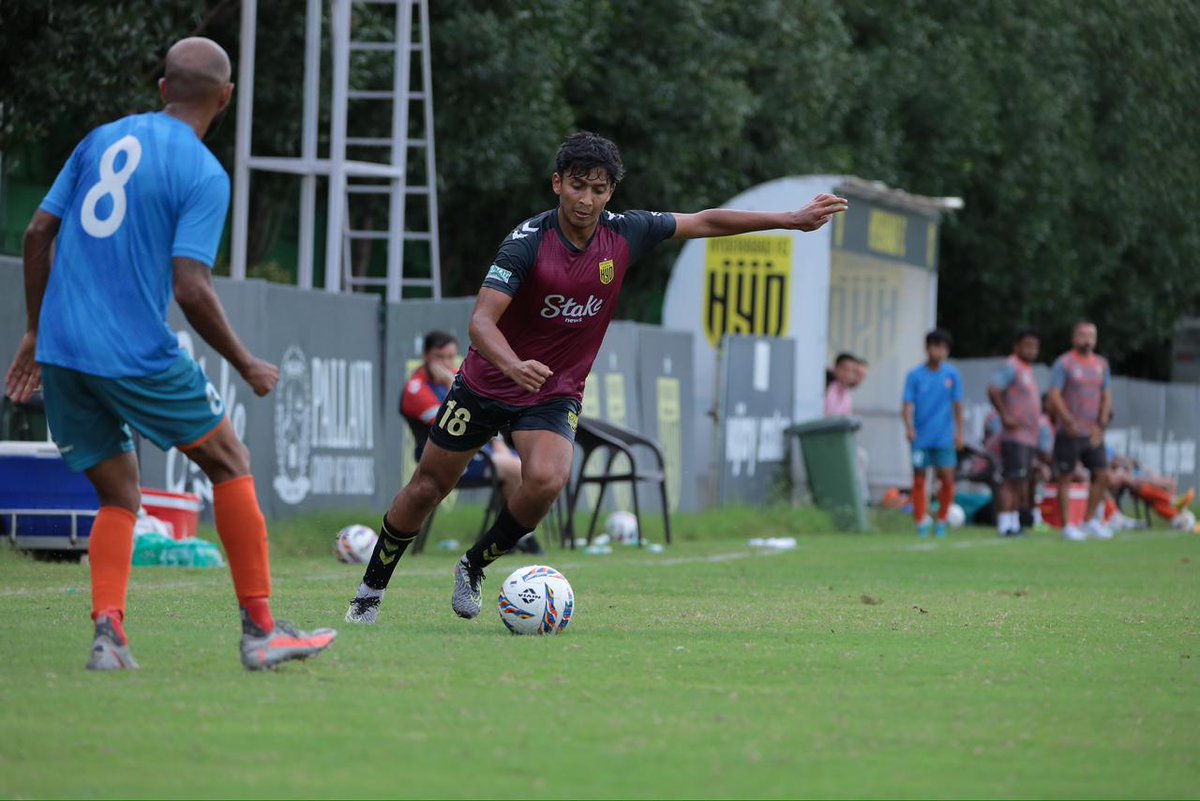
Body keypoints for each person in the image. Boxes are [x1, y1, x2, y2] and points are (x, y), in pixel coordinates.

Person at [345, 131, 849, 623]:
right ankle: (370, 591)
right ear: (557, 183)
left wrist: (789, 219)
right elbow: (480, 321)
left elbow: (705, 221)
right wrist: (512, 364)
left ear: (611, 192)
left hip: (552, 391)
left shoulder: (625, 232)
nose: (586, 199)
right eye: (577, 185)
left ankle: (473, 565)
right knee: (428, 487)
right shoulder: (527, 242)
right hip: (487, 382)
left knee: (545, 480)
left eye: (598, 188)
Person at [3, 38, 335, 671]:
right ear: (225, 97)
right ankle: (263, 631)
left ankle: (109, 635)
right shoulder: (202, 172)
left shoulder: (99, 139)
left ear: (162, 89)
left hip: (63, 349)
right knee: (230, 461)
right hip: (132, 349)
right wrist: (245, 363)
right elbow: (191, 285)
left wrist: (32, 332)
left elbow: (37, 232)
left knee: (120, 497)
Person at [400, 330, 538, 552]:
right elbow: (451, 425)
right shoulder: (416, 389)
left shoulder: (457, 378)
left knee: (533, 469)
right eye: (440, 357)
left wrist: (499, 445)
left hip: (477, 453)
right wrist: (449, 383)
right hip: (442, 458)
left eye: (450, 357)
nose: (446, 363)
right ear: (426, 356)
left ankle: (511, 538)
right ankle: (517, 539)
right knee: (513, 468)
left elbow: (486, 416)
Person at [1046, 321, 1113, 541]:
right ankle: (1067, 525)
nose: (1087, 339)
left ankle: (1090, 520)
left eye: (1091, 335)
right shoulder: (1064, 363)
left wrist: (1101, 425)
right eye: (1083, 334)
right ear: (1074, 338)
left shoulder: (1101, 364)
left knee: (1102, 474)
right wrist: (1067, 421)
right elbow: (1054, 394)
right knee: (1065, 476)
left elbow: (1106, 395)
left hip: (1092, 431)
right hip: (1070, 431)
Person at [902, 329, 964, 538]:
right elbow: (907, 405)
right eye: (935, 346)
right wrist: (909, 428)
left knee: (946, 477)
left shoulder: (951, 375)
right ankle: (921, 520)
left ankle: (942, 520)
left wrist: (959, 433)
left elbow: (957, 406)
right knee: (919, 478)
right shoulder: (915, 376)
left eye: (944, 348)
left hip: (944, 437)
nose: (939, 352)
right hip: (921, 437)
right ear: (927, 348)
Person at [987, 331, 1042, 537]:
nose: (1031, 350)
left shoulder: (1026, 369)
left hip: (1028, 437)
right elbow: (993, 390)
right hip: (1015, 436)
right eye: (1026, 345)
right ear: (1016, 346)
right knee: (1011, 479)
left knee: (1020, 480)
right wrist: (1005, 416)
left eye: (1034, 346)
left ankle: (1013, 522)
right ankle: (1004, 524)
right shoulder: (1011, 366)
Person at [823, 353, 867, 417]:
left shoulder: (846, 395)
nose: (848, 374)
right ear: (835, 368)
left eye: (852, 371)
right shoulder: (826, 386)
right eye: (845, 369)